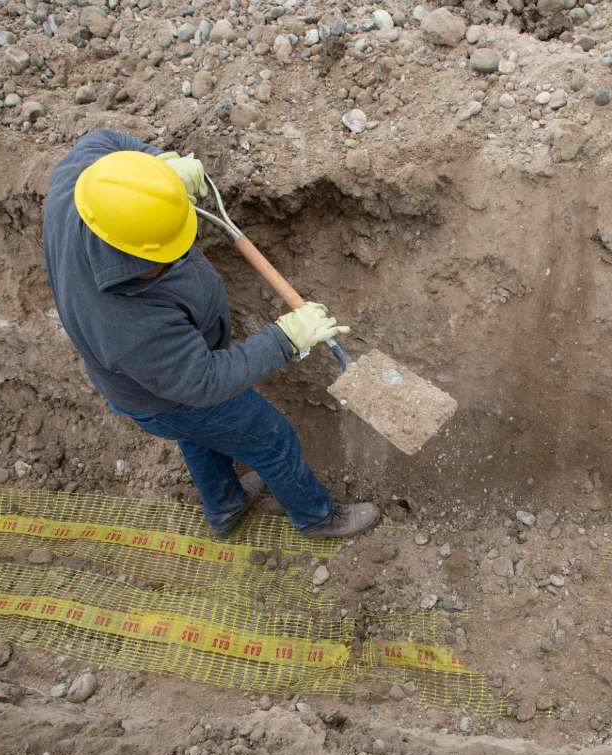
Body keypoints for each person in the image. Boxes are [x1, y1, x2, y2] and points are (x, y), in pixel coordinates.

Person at [41, 128, 380, 539]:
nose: (183, 252)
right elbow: (203, 382)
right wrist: (285, 339)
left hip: (164, 382)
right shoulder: (127, 322)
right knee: (270, 439)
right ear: (131, 252)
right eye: (167, 256)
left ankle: (225, 506)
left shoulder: (83, 187)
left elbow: (102, 138)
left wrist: (159, 169)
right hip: (164, 396)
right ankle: (317, 518)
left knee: (200, 434)